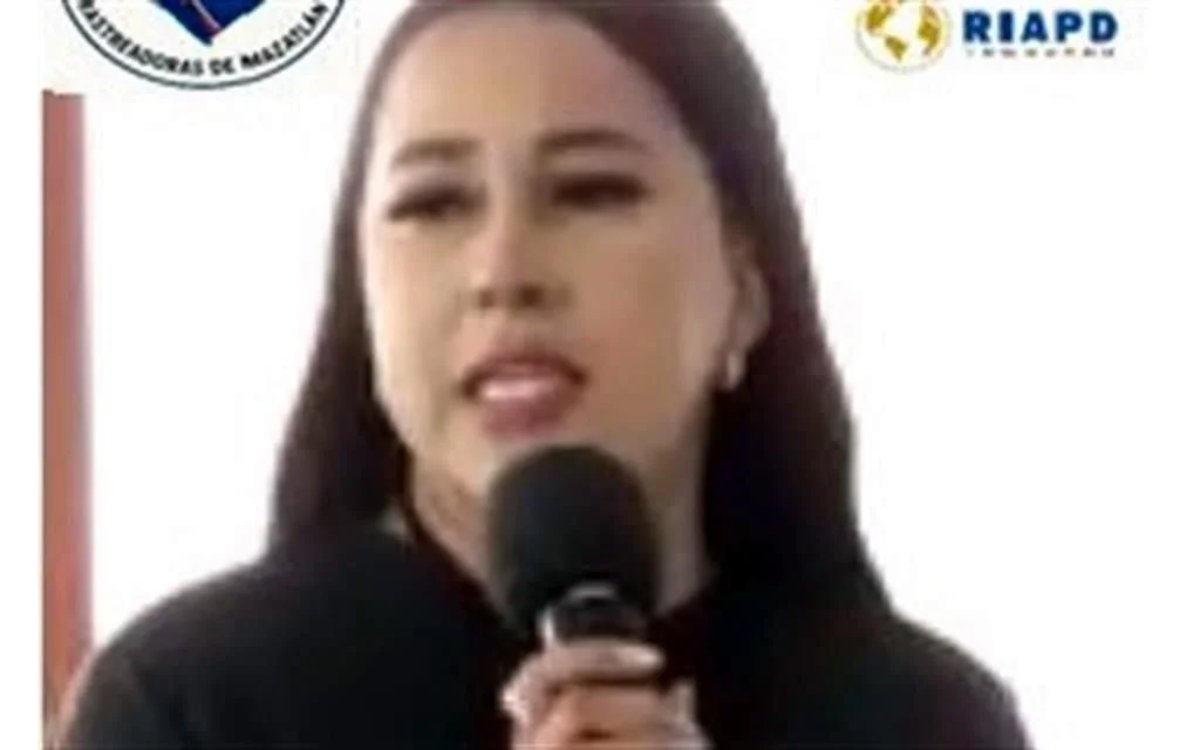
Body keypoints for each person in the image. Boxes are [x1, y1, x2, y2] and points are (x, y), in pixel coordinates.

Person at [58, 0, 1032, 747]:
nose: (503, 270)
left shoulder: (924, 720)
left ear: (745, 286)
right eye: (434, 203)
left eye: (591, 190)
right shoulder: (189, 703)